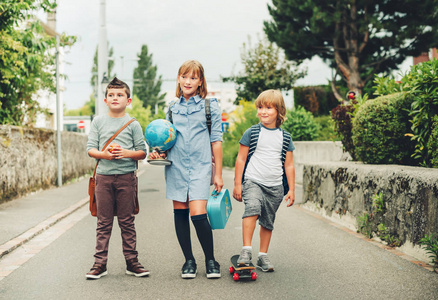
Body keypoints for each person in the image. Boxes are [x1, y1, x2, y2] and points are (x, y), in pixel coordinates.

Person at [149, 60, 223, 279]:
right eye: (184, 76)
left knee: (198, 214)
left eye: (193, 77)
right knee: (180, 213)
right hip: (176, 167)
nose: (188, 81)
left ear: (200, 81)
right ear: (178, 79)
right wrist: (158, 152)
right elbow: (168, 140)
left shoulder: (210, 107)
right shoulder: (172, 108)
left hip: (201, 168)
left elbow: (216, 141)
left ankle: (211, 260)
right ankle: (188, 261)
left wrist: (217, 173)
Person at [86, 77, 148, 279]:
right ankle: (99, 264)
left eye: (120, 95)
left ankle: (132, 262)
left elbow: (141, 152)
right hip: (103, 178)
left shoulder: (132, 124)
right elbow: (91, 150)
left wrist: (126, 153)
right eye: (111, 95)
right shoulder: (98, 121)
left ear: (128, 100)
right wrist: (104, 155)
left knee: (127, 222)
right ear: (105, 100)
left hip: (126, 178)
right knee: (103, 222)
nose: (115, 98)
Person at [232, 89, 295, 272]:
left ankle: (262, 256)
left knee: (268, 221)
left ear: (279, 111)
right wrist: (238, 184)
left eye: (268, 107)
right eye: (260, 107)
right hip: (253, 181)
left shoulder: (285, 137)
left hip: (275, 187)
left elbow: (289, 165)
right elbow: (241, 159)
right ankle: (246, 251)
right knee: (252, 209)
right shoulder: (251, 133)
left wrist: (291, 189)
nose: (263, 111)